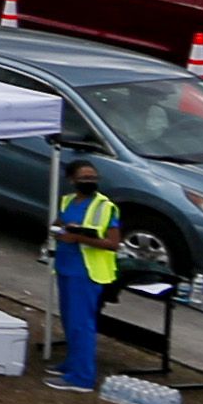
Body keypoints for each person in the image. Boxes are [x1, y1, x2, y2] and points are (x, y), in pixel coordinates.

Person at [49, 159, 122, 391]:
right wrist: (61, 230)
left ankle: (82, 377)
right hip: (66, 266)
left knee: (82, 324)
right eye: (84, 177)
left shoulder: (104, 206)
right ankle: (73, 363)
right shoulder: (68, 201)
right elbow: (57, 223)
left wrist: (79, 237)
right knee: (70, 321)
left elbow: (113, 243)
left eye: (92, 177)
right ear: (72, 180)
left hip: (87, 271)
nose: (89, 181)